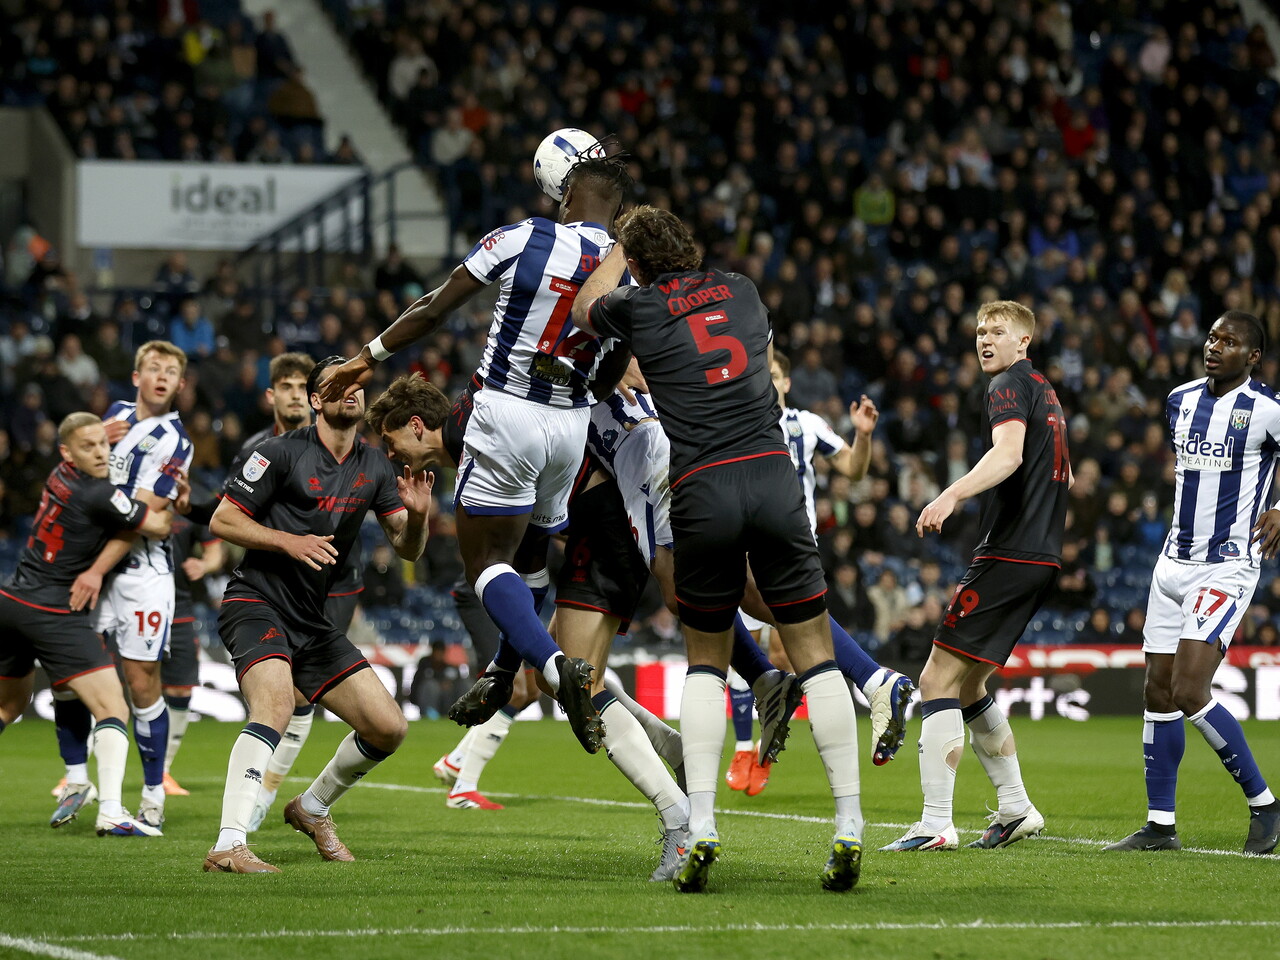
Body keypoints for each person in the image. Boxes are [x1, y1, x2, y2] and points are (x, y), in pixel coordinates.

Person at [571, 205, 865, 894]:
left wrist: (618, 254)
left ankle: (701, 825)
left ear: (639, 264)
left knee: (705, 659)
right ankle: (849, 824)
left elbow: (589, 311)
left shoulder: (639, 308)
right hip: (771, 475)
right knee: (816, 655)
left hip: (702, 487)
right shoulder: (742, 289)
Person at [321, 153, 638, 754]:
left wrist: (368, 356)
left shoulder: (526, 236)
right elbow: (618, 363)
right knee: (534, 557)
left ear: (565, 196)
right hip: (571, 426)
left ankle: (550, 664)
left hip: (507, 409)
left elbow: (438, 305)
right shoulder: (628, 271)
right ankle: (501, 668)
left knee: (486, 564)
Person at [368, 372, 693, 881]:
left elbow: (514, 569)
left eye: (390, 444)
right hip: (608, 518)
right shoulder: (484, 425)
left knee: (575, 682)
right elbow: (533, 572)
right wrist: (505, 666)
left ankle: (680, 819)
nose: (392, 458)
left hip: (609, 523)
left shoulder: (485, 439)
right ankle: (673, 752)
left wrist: (502, 666)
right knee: (560, 679)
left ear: (415, 426)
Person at [202, 357, 432, 873]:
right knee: (276, 707)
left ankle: (311, 806)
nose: (351, 390)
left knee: (388, 727)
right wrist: (289, 541)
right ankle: (228, 843)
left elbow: (408, 548)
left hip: (311, 618)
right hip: (255, 601)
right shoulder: (278, 453)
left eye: (358, 385)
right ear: (315, 400)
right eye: (338, 384)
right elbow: (223, 519)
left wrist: (417, 517)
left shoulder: (376, 465)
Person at [880, 300, 1066, 853]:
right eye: (980, 331)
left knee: (936, 681)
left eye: (998, 331)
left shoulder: (1007, 384)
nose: (985, 339)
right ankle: (1015, 808)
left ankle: (936, 822)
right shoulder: (1045, 390)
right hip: (1041, 556)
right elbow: (1063, 470)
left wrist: (950, 494)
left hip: (1009, 554)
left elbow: (1007, 454)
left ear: (1022, 343)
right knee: (969, 685)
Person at [1105, 311, 1280, 855]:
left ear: (1251, 357)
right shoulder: (1180, 399)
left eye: (1229, 342)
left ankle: (1265, 805)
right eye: (1212, 338)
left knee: (1188, 691)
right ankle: (1160, 826)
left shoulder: (1267, 409)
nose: (1214, 346)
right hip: (1171, 564)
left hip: (1226, 564)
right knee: (1157, 692)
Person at [727, 353, 915, 795]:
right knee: (771, 646)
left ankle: (869, 685)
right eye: (760, 374)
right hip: (747, 541)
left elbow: (853, 466)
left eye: (773, 375)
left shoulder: (805, 425)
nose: (767, 381)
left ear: (786, 381)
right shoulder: (737, 420)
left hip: (791, 544)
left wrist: (863, 437)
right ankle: (750, 744)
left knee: (782, 648)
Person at [1, 413, 174, 837]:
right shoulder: (98, 493)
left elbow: (88, 440)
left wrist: (100, 434)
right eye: (89, 447)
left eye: (103, 444)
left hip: (11, 602)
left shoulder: (58, 474)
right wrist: (173, 505)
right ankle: (113, 811)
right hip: (54, 611)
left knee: (7, 708)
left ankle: (79, 781)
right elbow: (154, 524)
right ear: (67, 452)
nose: (100, 452)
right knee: (114, 708)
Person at [51, 341, 193, 834]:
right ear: (136, 376)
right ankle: (76, 779)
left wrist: (94, 570)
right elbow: (76, 470)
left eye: (171, 372)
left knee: (140, 682)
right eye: (153, 368)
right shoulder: (112, 416)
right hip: (89, 566)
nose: (161, 376)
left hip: (139, 574)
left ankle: (153, 793)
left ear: (179, 385)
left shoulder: (177, 442)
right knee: (70, 674)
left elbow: (141, 518)